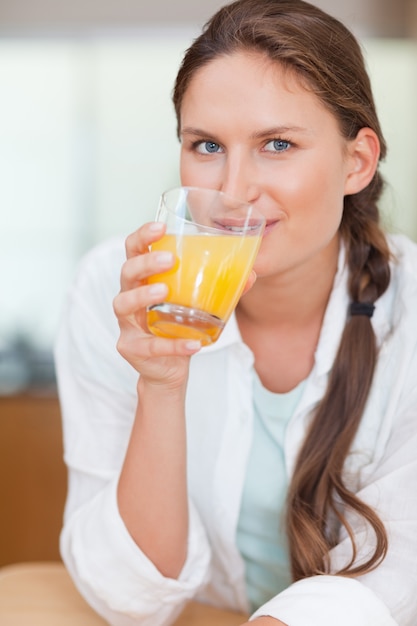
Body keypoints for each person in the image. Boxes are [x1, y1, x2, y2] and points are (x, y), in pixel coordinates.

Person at [54, 1, 417, 625]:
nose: (232, 191)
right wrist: (160, 385)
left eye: (278, 144)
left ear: (356, 162)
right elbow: (130, 595)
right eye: (206, 145)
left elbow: (398, 576)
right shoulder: (111, 292)